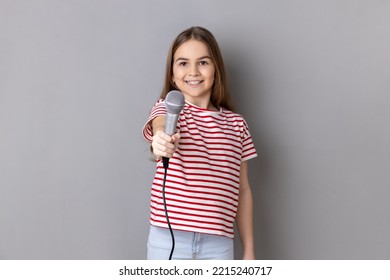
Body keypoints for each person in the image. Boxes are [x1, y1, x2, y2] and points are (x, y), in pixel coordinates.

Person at [142, 26, 257, 260]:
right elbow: (160, 128)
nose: (193, 71)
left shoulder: (237, 125)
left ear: (216, 69)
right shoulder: (167, 108)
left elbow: (243, 190)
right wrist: (161, 141)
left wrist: (249, 251)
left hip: (219, 243)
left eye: (203, 62)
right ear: (172, 74)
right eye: (183, 63)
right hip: (169, 238)